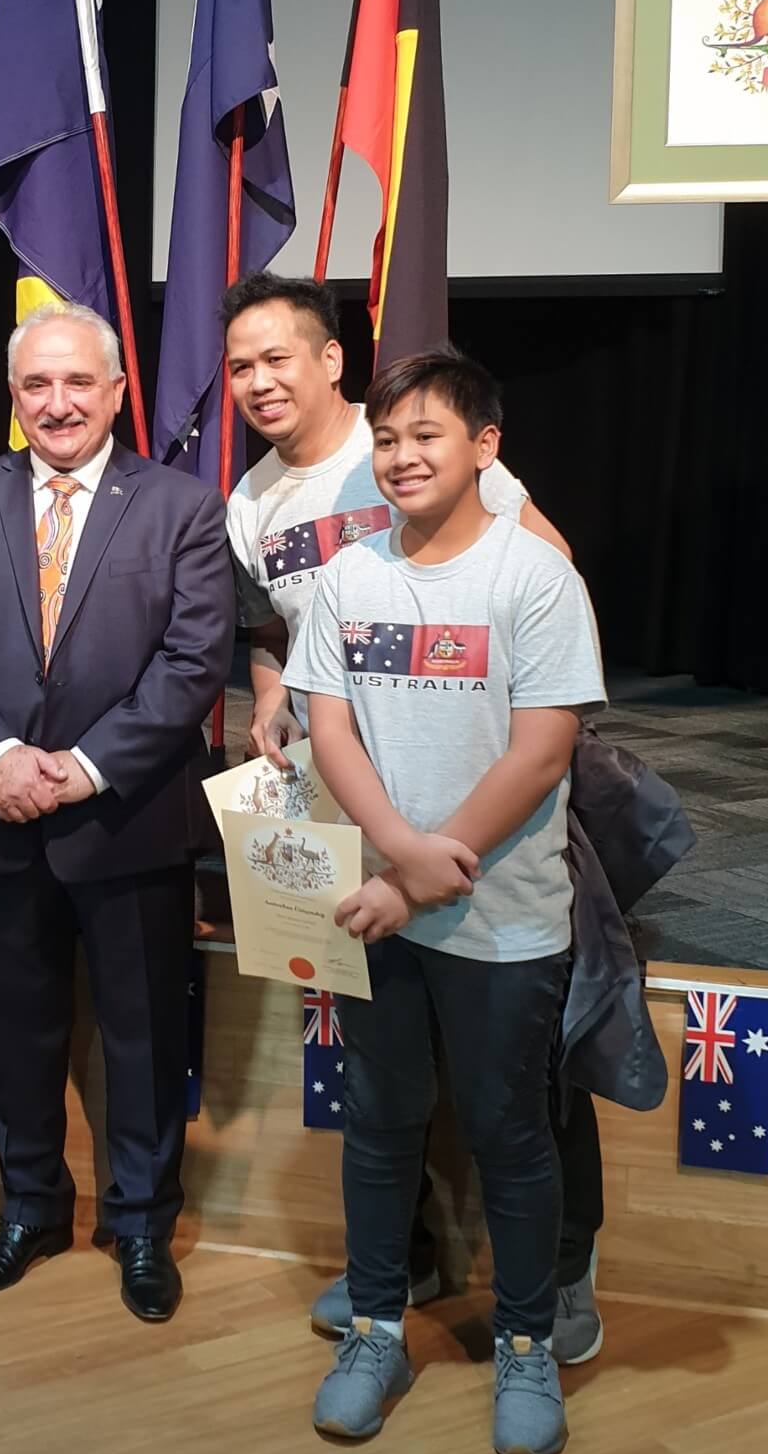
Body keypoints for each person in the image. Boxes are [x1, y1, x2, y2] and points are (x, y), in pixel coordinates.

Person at [221, 271, 606, 1365]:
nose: (258, 382)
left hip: (490, 816)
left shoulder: (425, 442)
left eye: (277, 357)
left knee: (521, 1088)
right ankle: (408, 1269)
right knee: (381, 1089)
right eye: (239, 366)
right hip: (357, 816)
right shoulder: (251, 503)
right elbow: (274, 634)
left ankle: (556, 1282)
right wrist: (271, 694)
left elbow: (540, 579)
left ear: (328, 359)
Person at [0, 301, 233, 1322]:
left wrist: (83, 767)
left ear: (118, 392)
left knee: (140, 1038)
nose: (57, 402)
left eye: (78, 382)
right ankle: (30, 1208)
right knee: (17, 1030)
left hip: (127, 821)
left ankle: (140, 1225)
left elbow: (192, 663)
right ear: (13, 398)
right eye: (36, 385)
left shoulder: (180, 507)